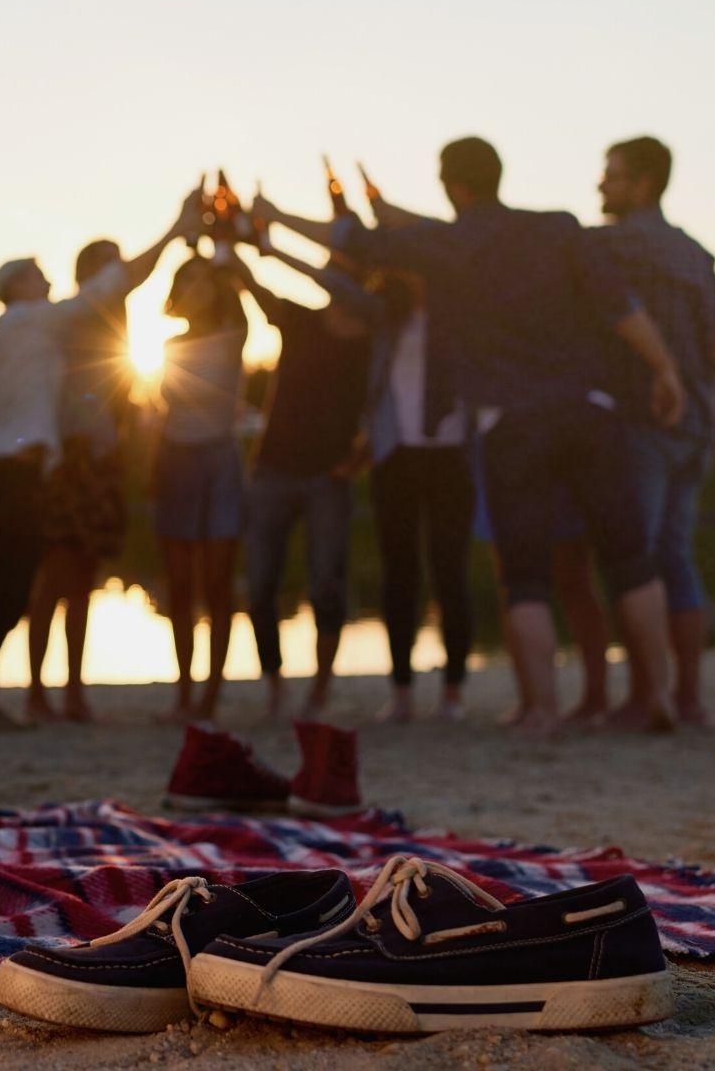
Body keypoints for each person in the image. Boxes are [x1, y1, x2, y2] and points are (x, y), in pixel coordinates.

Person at [254, 135, 686, 740]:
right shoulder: (557, 228)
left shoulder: (449, 244)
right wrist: (664, 369)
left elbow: (357, 241)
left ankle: (541, 711)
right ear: (497, 174)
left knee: (527, 575)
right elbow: (619, 305)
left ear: (452, 184)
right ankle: (657, 696)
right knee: (630, 561)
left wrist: (273, 218)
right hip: (592, 410)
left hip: (511, 423)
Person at [0, 192, 199, 729]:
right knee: (12, 587)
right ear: (15, 287)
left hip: (2, 470)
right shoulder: (29, 320)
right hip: (8, 474)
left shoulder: (15, 338)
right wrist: (176, 226)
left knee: (7, 586)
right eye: (37, 275)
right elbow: (112, 286)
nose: (47, 281)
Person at [551, 136, 715, 727]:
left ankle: (643, 697)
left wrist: (661, 372)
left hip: (640, 419)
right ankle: (689, 698)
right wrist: (691, 370)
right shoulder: (695, 253)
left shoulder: (607, 247)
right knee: (676, 556)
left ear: (644, 184)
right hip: (698, 425)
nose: (600, 186)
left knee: (632, 562)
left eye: (611, 176)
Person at [226, 246, 373, 720]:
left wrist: (361, 455)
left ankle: (319, 691)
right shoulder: (298, 319)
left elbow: (384, 402)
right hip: (273, 470)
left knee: (328, 583)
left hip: (328, 477)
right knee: (261, 583)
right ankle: (275, 688)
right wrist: (232, 247)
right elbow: (253, 285)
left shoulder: (371, 342)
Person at [24, 239, 136, 723]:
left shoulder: (115, 331)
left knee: (83, 582)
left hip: (100, 462)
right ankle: (36, 690)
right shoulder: (67, 321)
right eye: (111, 264)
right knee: (53, 578)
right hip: (67, 461)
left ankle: (72, 690)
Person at [150, 253, 249, 722]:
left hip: (219, 460)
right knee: (181, 585)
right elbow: (163, 406)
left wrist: (219, 248)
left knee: (217, 584)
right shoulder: (168, 345)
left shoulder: (233, 333)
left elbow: (239, 292)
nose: (195, 287)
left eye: (203, 280)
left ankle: (211, 692)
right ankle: (184, 691)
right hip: (175, 459)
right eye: (186, 280)